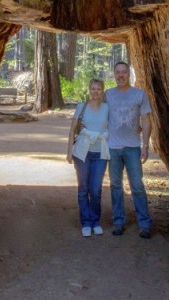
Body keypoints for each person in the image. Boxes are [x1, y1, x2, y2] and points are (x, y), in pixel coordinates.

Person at [106, 61, 153, 238]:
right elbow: (100, 115)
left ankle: (144, 223)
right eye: (117, 72)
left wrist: (145, 145)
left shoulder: (139, 94)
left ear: (128, 74)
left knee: (137, 186)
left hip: (133, 147)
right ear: (114, 74)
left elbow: (146, 120)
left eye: (124, 72)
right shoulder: (108, 95)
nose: (120, 75)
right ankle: (118, 221)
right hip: (113, 147)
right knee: (115, 185)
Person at [66, 78, 109, 237]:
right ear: (89, 90)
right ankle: (85, 222)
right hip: (82, 153)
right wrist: (69, 151)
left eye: (98, 89)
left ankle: (95, 221)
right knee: (83, 188)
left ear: (102, 91)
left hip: (100, 153)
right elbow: (72, 129)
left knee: (96, 189)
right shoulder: (81, 107)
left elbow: (114, 126)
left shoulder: (107, 108)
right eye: (93, 88)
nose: (95, 91)